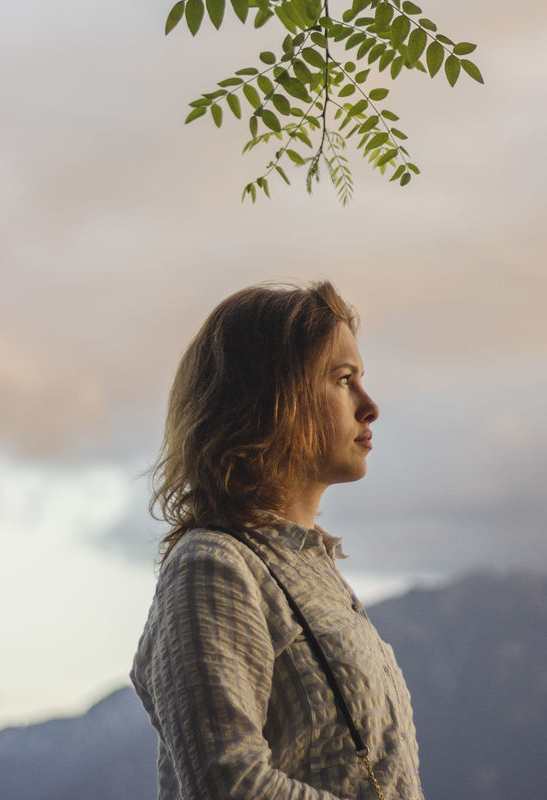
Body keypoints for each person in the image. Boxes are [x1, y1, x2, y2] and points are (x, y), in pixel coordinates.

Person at [131, 280, 423, 800]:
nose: (369, 405)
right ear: (273, 399)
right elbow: (229, 785)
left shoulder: (314, 571)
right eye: (343, 379)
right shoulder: (212, 565)